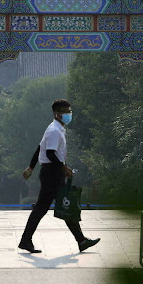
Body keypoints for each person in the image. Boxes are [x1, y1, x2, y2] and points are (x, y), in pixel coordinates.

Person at [19, 99, 100, 254]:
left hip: (53, 171)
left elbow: (40, 148)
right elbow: (49, 153)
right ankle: (25, 240)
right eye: (65, 112)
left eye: (69, 111)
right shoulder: (54, 131)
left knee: (65, 204)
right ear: (57, 114)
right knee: (48, 207)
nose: (69, 114)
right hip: (52, 173)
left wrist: (31, 167)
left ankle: (81, 240)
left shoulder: (56, 128)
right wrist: (63, 167)